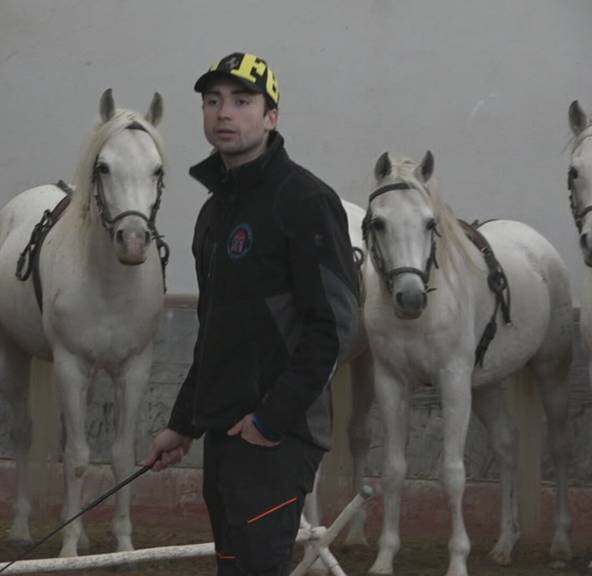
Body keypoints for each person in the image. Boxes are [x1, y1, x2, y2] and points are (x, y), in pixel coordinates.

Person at [143, 52, 359, 576]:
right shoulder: (215, 213)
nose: (225, 113)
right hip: (225, 431)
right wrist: (184, 423)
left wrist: (270, 419)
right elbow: (216, 331)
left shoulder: (306, 200)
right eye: (213, 101)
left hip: (277, 436)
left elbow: (334, 326)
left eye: (242, 101)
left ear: (271, 117)